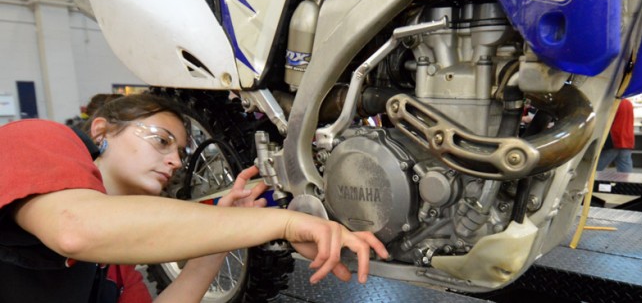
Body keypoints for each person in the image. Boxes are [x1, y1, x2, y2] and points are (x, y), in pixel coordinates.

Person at [0, 94, 388, 302]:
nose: (174, 160)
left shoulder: (116, 269)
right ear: (102, 130)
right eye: (162, 140)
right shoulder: (41, 137)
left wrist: (222, 240)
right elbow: (75, 229)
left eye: (182, 153)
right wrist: (285, 222)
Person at [597, 99, 635, 173]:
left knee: (594, 170)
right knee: (626, 173)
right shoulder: (628, 103)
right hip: (627, 140)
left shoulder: (614, 102)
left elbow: (604, 121)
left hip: (614, 139)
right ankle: (626, 185)